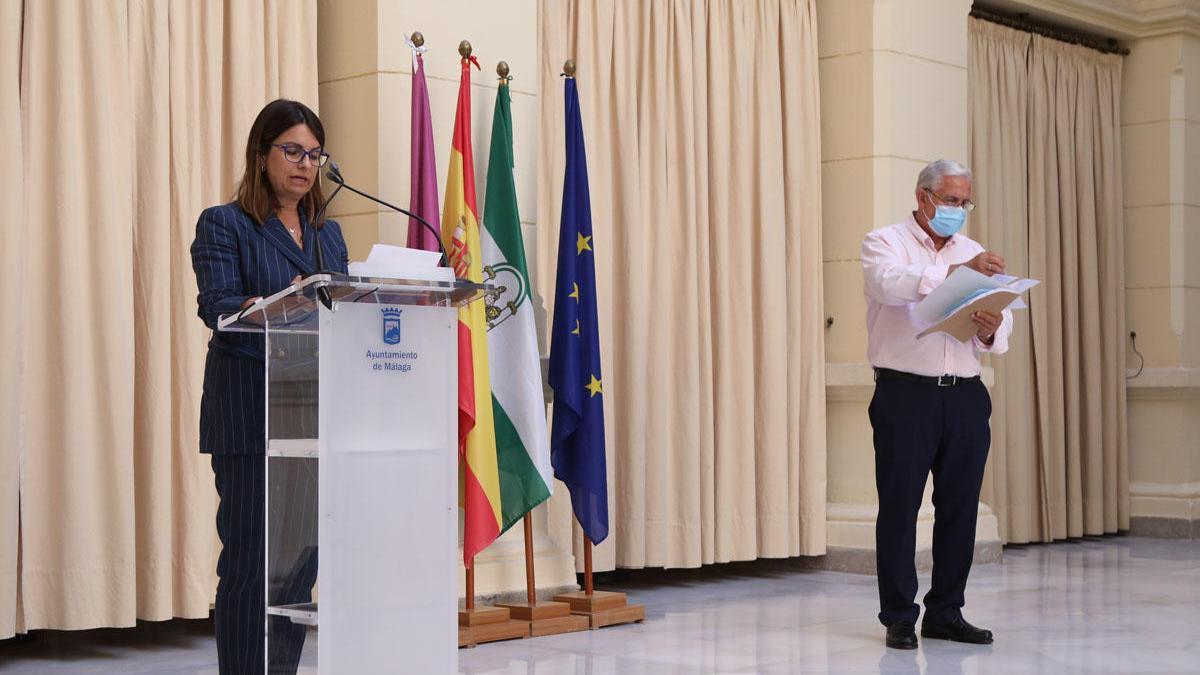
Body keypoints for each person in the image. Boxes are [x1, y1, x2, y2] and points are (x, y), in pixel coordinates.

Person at [191, 99, 348, 674]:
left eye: (315, 154)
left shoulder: (328, 239)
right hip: (250, 418)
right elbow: (220, 307)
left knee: (296, 569)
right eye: (293, 151)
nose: (306, 165)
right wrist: (264, 309)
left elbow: (345, 319)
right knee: (251, 564)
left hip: (312, 418)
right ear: (262, 155)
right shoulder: (224, 223)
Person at [861, 159, 1012, 650]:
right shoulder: (884, 242)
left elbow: (1000, 327)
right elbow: (889, 285)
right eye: (950, 200)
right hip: (906, 393)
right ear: (923, 197)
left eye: (964, 202)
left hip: (966, 395)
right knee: (900, 508)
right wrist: (953, 272)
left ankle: (946, 611)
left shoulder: (974, 251)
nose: (958, 210)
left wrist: (992, 328)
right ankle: (899, 616)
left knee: (960, 508)